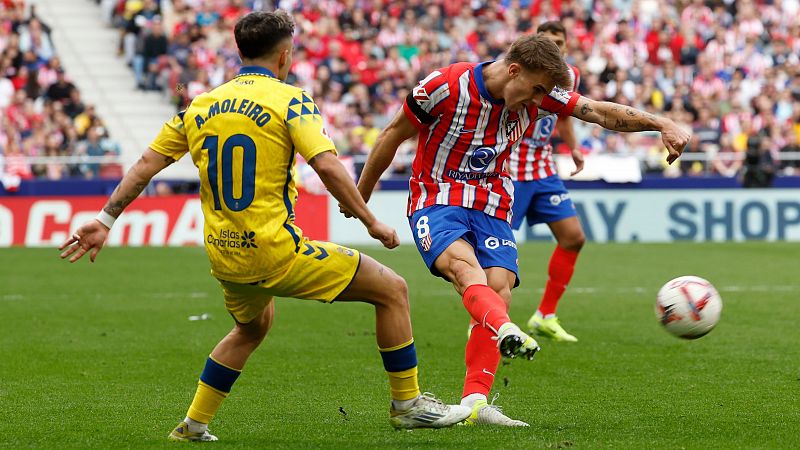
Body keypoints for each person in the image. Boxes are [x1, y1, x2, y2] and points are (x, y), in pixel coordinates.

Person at [59, 10, 470, 442]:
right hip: (275, 250)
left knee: (251, 327)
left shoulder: (200, 105)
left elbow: (146, 164)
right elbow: (326, 164)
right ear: (285, 54)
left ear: (240, 51)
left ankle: (193, 425)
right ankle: (407, 405)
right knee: (392, 290)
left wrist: (106, 218)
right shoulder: (290, 100)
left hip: (224, 254)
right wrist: (370, 220)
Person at [349, 34, 689, 427]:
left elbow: (597, 112)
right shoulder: (445, 85)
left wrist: (660, 122)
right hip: (437, 197)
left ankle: (476, 403)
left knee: (499, 287)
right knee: (465, 272)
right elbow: (393, 132)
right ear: (514, 70)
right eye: (537, 89)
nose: (540, 101)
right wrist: (361, 198)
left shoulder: (542, 94)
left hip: (493, 200)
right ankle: (506, 329)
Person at [507, 21, 585, 343]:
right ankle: (488, 322)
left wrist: (574, 147)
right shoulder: (524, 75)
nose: (555, 47)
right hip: (510, 171)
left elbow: (564, 116)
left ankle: (545, 315)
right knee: (497, 254)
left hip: (544, 168)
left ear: (566, 47)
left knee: (573, 237)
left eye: (560, 42)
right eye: (548, 42)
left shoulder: (570, 77)